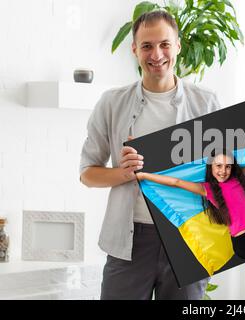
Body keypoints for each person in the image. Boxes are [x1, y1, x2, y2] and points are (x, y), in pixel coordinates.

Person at [79, 10, 220, 300]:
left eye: (164, 44)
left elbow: (230, 176)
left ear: (178, 46)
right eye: (146, 46)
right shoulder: (111, 103)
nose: (156, 54)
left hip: (188, 237)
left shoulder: (206, 103)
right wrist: (122, 173)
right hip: (129, 242)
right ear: (134, 50)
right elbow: (87, 173)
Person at [136, 149, 245, 261]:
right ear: (211, 167)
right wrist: (144, 175)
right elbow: (176, 182)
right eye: (218, 166)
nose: (223, 171)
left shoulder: (236, 179)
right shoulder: (209, 189)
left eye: (227, 167)